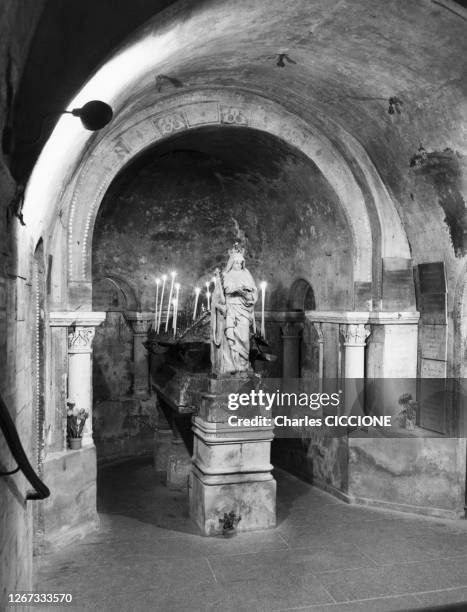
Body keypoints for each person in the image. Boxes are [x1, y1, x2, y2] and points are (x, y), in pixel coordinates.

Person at [211, 244, 257, 375]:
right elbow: (218, 297)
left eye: (240, 262)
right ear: (231, 263)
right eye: (235, 262)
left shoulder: (247, 274)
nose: (238, 264)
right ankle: (231, 366)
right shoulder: (225, 275)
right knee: (230, 338)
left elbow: (254, 293)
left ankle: (243, 365)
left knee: (244, 338)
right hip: (230, 309)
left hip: (243, 309)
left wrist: (247, 295)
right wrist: (222, 305)